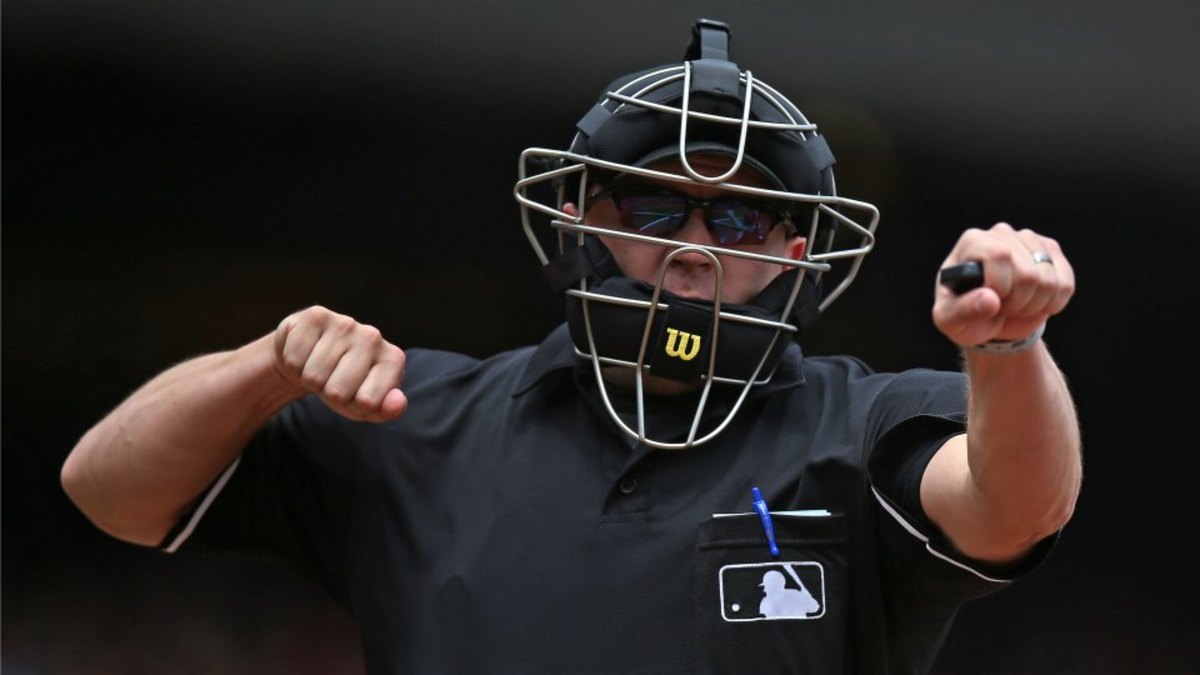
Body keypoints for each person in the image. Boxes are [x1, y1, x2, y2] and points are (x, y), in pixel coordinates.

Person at [61, 19, 1081, 674]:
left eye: (737, 223)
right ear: (582, 223)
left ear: (792, 255)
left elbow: (1014, 505)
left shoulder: (862, 426)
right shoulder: (417, 415)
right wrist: (265, 366)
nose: (692, 251)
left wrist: (1010, 349)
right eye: (651, 206)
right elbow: (111, 493)